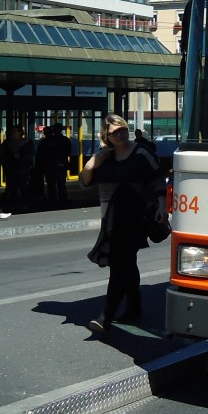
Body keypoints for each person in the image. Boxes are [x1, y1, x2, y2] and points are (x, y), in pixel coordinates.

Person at [80, 113, 167, 334]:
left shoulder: (141, 152)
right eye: (114, 132)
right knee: (126, 263)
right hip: (111, 218)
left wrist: (162, 206)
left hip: (136, 217)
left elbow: (157, 178)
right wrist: (92, 163)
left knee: (119, 265)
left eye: (122, 129)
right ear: (106, 136)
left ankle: (105, 316)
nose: (120, 135)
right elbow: (84, 181)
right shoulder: (105, 157)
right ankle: (134, 306)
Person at [0, 126, 35, 213]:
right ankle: (15, 203)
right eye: (12, 132)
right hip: (11, 168)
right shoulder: (7, 143)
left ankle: (24, 204)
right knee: (12, 187)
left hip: (22, 168)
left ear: (20, 133)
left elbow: (30, 155)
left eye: (15, 131)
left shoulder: (27, 143)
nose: (13, 133)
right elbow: (2, 155)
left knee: (23, 186)